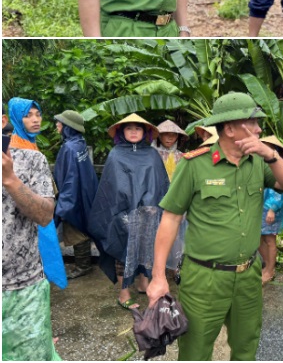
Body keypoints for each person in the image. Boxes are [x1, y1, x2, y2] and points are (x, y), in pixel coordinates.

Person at [147, 92, 283, 361]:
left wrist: (271, 154)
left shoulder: (259, 163)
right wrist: (158, 277)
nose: (259, 128)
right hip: (205, 279)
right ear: (229, 128)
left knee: (246, 346)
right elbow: (170, 219)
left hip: (248, 275)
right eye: (252, 122)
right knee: (195, 350)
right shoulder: (195, 165)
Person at [87, 113, 171, 311]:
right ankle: (124, 292)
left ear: (145, 132)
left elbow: (160, 185)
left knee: (147, 246)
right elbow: (111, 186)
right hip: (122, 213)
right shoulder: (116, 154)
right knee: (122, 249)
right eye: (129, 128)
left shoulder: (152, 155)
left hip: (148, 212)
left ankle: (143, 282)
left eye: (138, 128)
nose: (133, 131)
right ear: (122, 132)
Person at [2, 98, 61, 361]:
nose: (36, 120)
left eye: (38, 114)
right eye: (29, 115)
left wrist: (11, 180)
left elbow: (45, 212)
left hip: (24, 275)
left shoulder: (30, 156)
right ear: (15, 120)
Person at [52, 109, 99, 279]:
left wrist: (65, 204)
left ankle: (83, 266)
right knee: (81, 229)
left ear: (68, 127)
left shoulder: (70, 148)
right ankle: (83, 264)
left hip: (73, 197)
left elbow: (70, 178)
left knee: (75, 232)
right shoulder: (79, 143)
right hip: (83, 194)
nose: (57, 125)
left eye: (60, 123)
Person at [259, 137, 283, 286]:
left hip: (271, 208)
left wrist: (272, 208)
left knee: (270, 240)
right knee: (259, 239)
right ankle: (266, 266)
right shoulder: (260, 162)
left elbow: (280, 190)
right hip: (259, 206)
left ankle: (270, 271)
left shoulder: (277, 164)